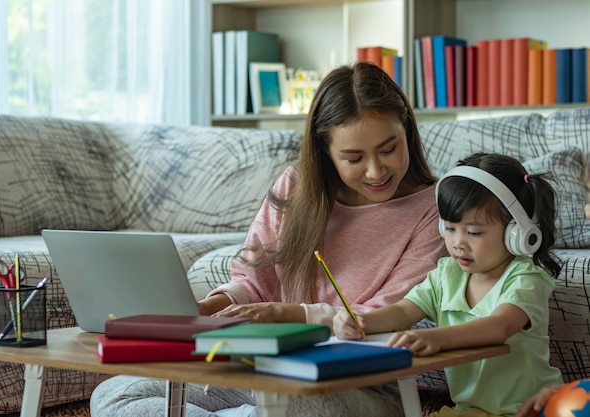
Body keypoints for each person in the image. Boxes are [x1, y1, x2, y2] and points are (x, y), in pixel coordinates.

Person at [90, 61, 447, 417]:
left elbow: (384, 314)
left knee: (295, 406)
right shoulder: (295, 187)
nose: (376, 170)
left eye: (388, 149)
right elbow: (252, 281)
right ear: (326, 154)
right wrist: (203, 311)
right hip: (265, 368)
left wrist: (280, 313)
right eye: (353, 158)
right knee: (116, 393)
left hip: (360, 384)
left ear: (407, 132)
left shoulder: (433, 208)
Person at [333, 152, 564, 417]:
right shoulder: (446, 274)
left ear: (517, 234)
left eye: (474, 232)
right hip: (469, 411)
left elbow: (498, 327)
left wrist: (434, 338)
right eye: (450, 228)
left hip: (530, 410)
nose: (457, 243)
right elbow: (403, 311)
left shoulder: (525, 279)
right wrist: (361, 322)